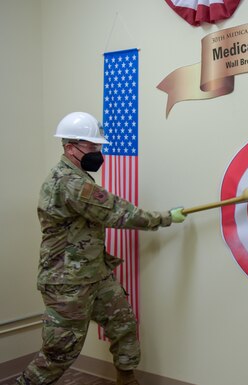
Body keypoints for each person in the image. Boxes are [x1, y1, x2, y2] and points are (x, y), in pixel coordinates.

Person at [16, 112, 188, 385]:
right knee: (59, 353)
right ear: (70, 147)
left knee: (123, 325)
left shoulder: (76, 175)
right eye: (92, 147)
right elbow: (119, 213)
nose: (98, 152)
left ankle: (126, 379)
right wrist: (166, 217)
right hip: (68, 282)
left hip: (94, 273)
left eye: (99, 147)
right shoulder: (70, 183)